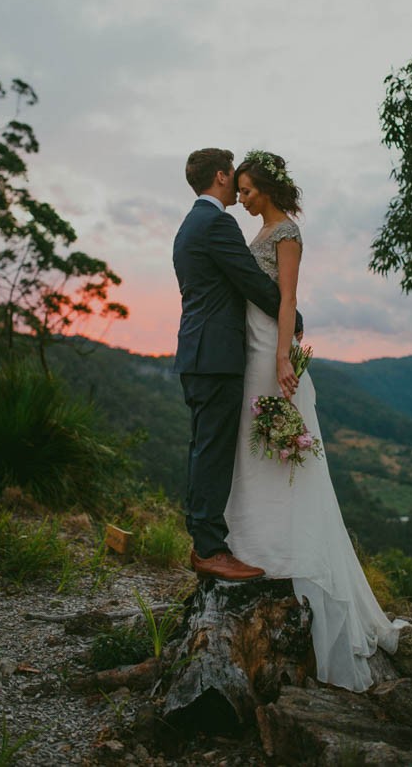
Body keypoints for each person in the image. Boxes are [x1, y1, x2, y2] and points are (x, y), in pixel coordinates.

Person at [224, 149, 402, 692]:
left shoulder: (287, 235)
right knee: (252, 449)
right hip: (248, 344)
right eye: (240, 189)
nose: (243, 197)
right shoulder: (258, 233)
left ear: (269, 189)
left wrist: (283, 358)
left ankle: (288, 554)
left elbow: (287, 298)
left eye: (249, 189)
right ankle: (254, 546)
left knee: (276, 447)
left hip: (268, 349)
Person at [173, 148, 303, 582]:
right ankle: (209, 547)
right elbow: (249, 277)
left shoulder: (189, 225)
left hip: (198, 353)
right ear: (222, 176)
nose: (240, 191)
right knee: (212, 451)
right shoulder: (216, 223)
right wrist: (293, 318)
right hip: (216, 357)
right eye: (235, 180)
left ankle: (208, 541)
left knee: (204, 448)